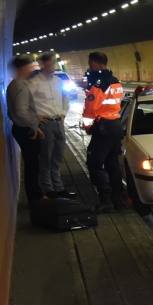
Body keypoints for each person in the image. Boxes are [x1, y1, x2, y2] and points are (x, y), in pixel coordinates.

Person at [82, 51, 126, 213]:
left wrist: (87, 126)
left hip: (103, 127)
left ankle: (105, 199)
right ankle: (118, 198)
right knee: (112, 163)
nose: (89, 66)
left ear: (97, 64)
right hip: (115, 125)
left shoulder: (99, 84)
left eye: (91, 63)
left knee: (94, 163)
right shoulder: (116, 82)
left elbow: (90, 109)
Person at [29, 51, 72, 198]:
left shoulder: (58, 81)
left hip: (59, 122)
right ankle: (48, 189)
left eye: (53, 63)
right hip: (45, 124)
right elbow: (27, 103)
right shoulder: (34, 83)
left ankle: (59, 188)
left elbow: (66, 99)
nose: (52, 66)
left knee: (58, 157)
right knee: (46, 158)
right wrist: (35, 117)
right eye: (50, 63)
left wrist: (64, 113)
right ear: (42, 65)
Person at [7, 55, 44, 202]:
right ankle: (35, 198)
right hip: (26, 130)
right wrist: (34, 124)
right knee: (33, 165)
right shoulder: (20, 85)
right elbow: (21, 111)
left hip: (20, 128)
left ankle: (35, 195)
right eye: (30, 66)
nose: (32, 69)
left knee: (31, 164)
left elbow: (12, 113)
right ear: (22, 68)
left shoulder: (13, 84)